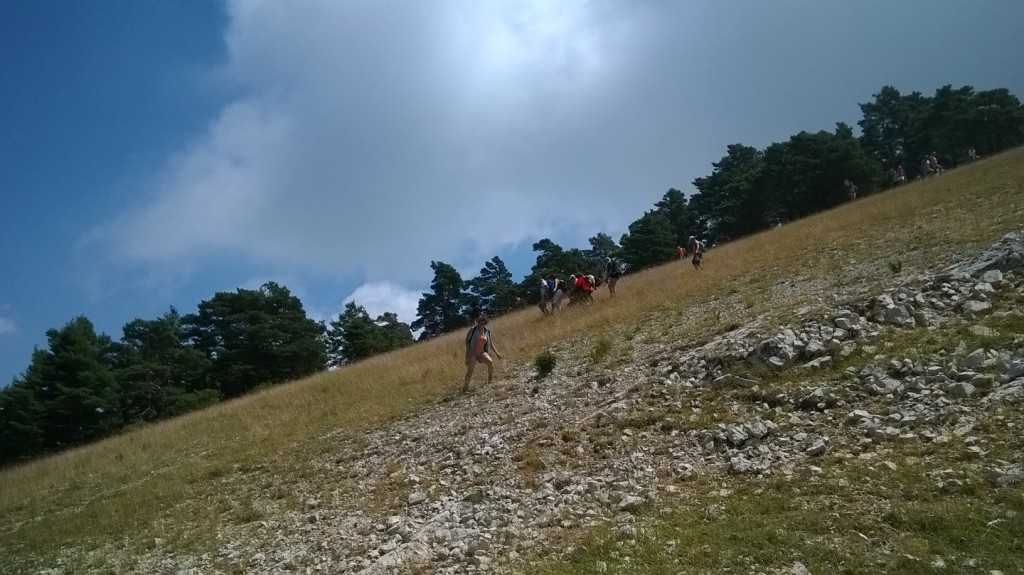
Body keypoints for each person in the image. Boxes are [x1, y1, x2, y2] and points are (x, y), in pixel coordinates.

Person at [464, 314, 501, 392]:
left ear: (485, 323)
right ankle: (465, 387)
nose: (482, 324)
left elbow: (490, 343)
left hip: (481, 353)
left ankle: (490, 378)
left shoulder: (487, 331)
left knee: (490, 362)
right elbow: (467, 340)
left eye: (483, 322)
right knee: (470, 371)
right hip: (472, 353)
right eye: (480, 322)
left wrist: (496, 353)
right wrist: (469, 351)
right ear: (478, 322)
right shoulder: (472, 330)